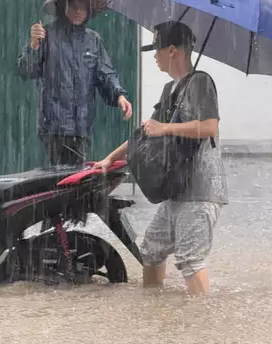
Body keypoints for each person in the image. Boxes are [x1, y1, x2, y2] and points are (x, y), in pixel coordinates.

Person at [94, 21, 228, 296]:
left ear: (171, 51)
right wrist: (109, 158)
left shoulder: (200, 82)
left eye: (156, 50)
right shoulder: (171, 90)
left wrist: (165, 128)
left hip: (200, 191)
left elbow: (210, 127)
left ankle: (199, 323)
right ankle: (155, 311)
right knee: (152, 251)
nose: (154, 57)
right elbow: (144, 133)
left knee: (191, 260)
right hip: (175, 189)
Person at [17, 0, 133, 166]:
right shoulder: (47, 35)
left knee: (77, 177)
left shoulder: (93, 40)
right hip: (54, 126)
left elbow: (105, 73)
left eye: (83, 7)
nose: (79, 12)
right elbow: (26, 70)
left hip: (82, 125)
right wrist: (34, 46)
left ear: (89, 10)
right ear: (64, 8)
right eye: (74, 7)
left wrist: (119, 95)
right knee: (59, 177)